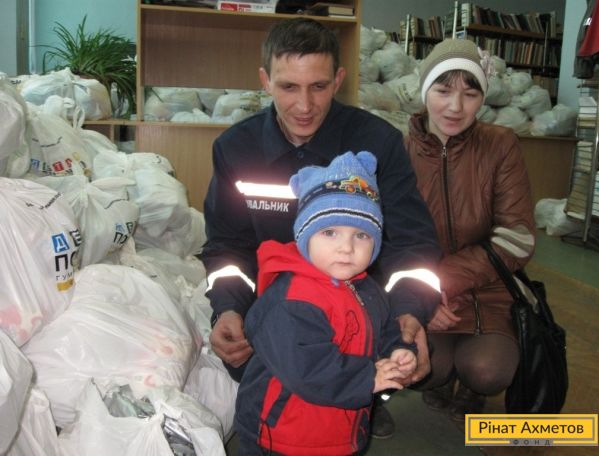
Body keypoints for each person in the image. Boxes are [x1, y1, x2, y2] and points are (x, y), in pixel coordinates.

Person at [200, 17, 442, 438]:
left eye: (318, 86)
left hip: (357, 304)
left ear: (338, 80)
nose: (304, 105)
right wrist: (229, 308)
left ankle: (360, 397)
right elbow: (226, 245)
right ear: (265, 81)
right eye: (288, 87)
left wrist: (410, 312)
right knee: (265, 374)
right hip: (278, 309)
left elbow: (413, 244)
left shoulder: (379, 143)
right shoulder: (236, 149)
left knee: (391, 352)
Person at [235, 151, 418, 455]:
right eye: (330, 232)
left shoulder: (366, 288)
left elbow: (385, 328)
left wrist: (398, 349)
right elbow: (307, 370)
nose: (346, 247)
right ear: (305, 236)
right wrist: (368, 378)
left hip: (341, 430)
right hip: (283, 437)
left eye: (361, 235)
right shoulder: (292, 300)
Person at [405, 38, 536, 421]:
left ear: (483, 97)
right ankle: (444, 375)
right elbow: (389, 238)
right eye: (443, 91)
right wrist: (423, 294)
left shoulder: (500, 145)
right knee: (426, 368)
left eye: (470, 93)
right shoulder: (400, 151)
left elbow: (517, 236)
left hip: (490, 285)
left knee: (486, 371)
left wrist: (443, 281)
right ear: (424, 90)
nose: (455, 107)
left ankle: (471, 384)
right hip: (422, 287)